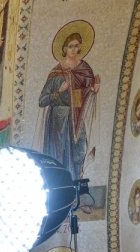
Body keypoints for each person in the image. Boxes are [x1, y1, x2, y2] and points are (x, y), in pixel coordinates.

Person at [39, 30, 100, 180]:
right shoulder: (56, 72)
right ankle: (60, 183)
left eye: (76, 46)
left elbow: (83, 95)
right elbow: (42, 101)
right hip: (58, 120)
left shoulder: (84, 70)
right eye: (70, 46)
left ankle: (75, 183)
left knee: (79, 151)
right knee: (60, 154)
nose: (74, 49)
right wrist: (59, 91)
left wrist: (93, 89)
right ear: (64, 48)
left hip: (76, 118)